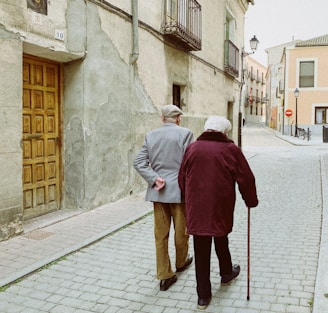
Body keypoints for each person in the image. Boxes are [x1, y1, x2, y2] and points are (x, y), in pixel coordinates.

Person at [178, 115, 258, 310]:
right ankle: (225, 272)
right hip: (220, 204)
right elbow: (246, 178)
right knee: (221, 237)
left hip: (196, 207)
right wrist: (251, 200)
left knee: (201, 247)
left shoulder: (192, 148)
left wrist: (187, 198)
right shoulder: (230, 149)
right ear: (224, 132)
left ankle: (203, 297)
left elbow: (182, 177)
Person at [133, 104, 194, 291]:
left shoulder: (151, 136)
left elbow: (138, 162)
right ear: (178, 118)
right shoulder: (186, 134)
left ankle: (164, 275)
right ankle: (181, 262)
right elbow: (190, 163)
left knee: (161, 235)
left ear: (161, 118)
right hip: (180, 192)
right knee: (181, 230)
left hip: (159, 192)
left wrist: (154, 178)